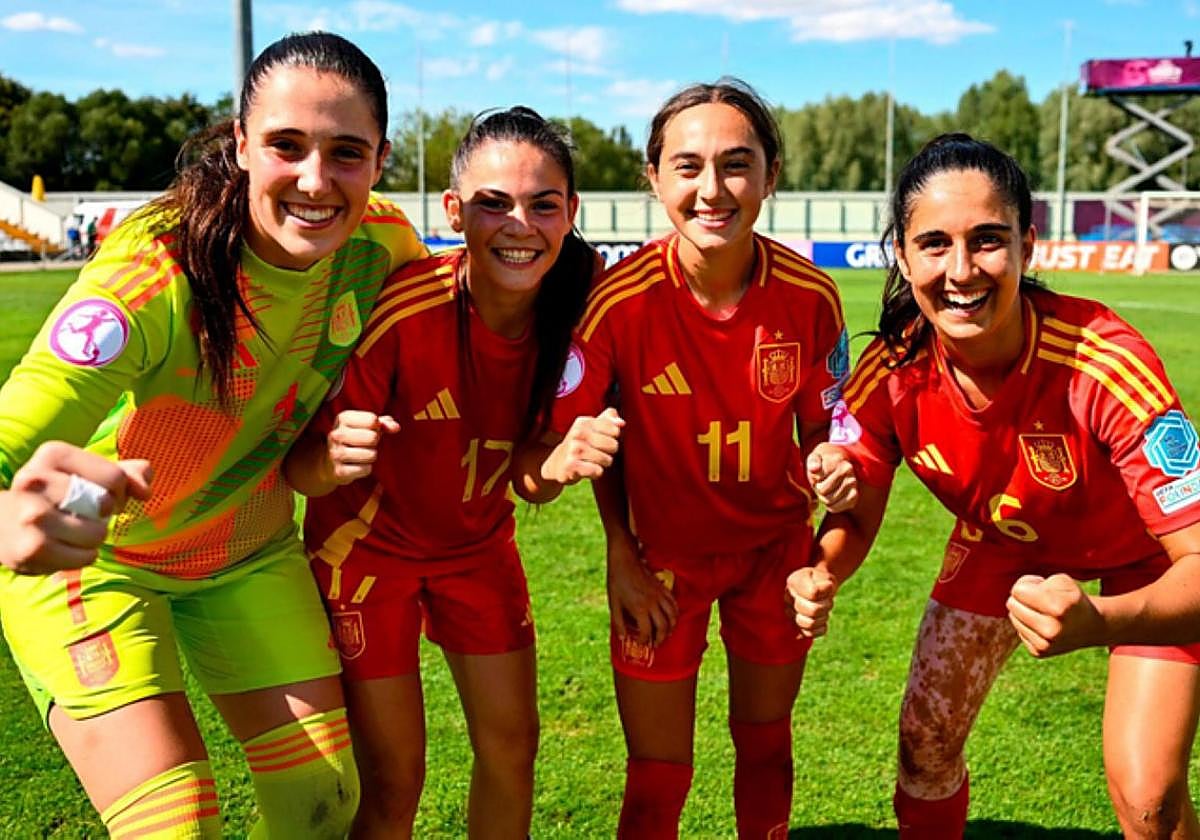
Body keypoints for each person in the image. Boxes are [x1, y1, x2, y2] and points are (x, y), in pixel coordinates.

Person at [0, 31, 426, 838]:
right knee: (176, 823)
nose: (315, 179)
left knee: (321, 809)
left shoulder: (384, 247)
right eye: (286, 146)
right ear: (240, 145)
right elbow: (13, 430)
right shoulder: (160, 269)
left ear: (381, 160)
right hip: (96, 559)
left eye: (346, 153)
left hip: (245, 555)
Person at [787, 133, 1200, 839]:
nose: (961, 270)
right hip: (1001, 546)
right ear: (903, 254)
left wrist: (1101, 623)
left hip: (1149, 563)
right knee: (925, 748)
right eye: (935, 244)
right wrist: (822, 569)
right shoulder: (889, 368)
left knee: (1149, 799)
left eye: (986, 240)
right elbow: (856, 511)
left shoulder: (1105, 364)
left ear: (1028, 245)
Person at [518, 79, 852, 839]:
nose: (713, 189)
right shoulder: (618, 302)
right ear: (655, 179)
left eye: (737, 164)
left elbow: (829, 439)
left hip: (774, 558)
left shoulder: (811, 298)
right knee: (657, 776)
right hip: (659, 565)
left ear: (771, 174)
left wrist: (832, 498)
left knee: (767, 750)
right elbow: (562, 451)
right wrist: (618, 552)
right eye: (688, 165)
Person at [283, 106, 593, 839]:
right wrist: (330, 458)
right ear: (454, 211)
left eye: (543, 204)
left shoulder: (579, 306)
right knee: (395, 780)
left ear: (571, 212)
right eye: (494, 203)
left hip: (478, 549)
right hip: (366, 557)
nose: (520, 224)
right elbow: (302, 472)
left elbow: (524, 472)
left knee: (513, 751)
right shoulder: (404, 311)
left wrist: (554, 465)